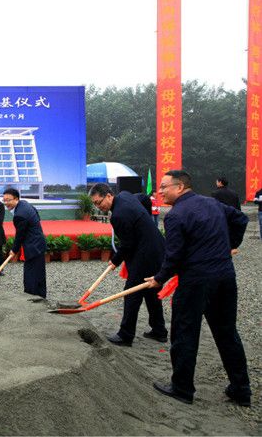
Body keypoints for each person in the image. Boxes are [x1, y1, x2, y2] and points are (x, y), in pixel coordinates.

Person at [145, 170, 251, 407]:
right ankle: (241, 390)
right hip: (225, 276)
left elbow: (173, 256)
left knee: (185, 332)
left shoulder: (175, 215)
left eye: (163, 187)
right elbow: (241, 220)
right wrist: (228, 246)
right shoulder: (212, 203)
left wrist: (159, 278)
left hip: (196, 281)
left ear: (180, 187)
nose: (159, 192)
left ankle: (182, 388)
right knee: (227, 332)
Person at [89, 183, 168, 347]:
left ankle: (126, 335)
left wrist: (115, 260)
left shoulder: (118, 216)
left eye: (99, 202)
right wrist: (144, 221)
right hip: (158, 249)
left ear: (109, 195)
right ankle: (159, 330)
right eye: (95, 204)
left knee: (131, 293)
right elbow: (144, 198)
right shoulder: (125, 195)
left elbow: (127, 245)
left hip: (145, 255)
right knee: (151, 291)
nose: (98, 207)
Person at [2, 188, 46, 298]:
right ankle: (41, 295)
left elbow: (19, 235)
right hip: (39, 242)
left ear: (16, 199)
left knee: (30, 274)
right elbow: (37, 214)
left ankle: (31, 298)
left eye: (8, 200)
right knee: (39, 272)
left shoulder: (19, 215)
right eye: (4, 200)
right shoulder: (24, 203)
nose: (6, 203)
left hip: (33, 246)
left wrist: (14, 250)